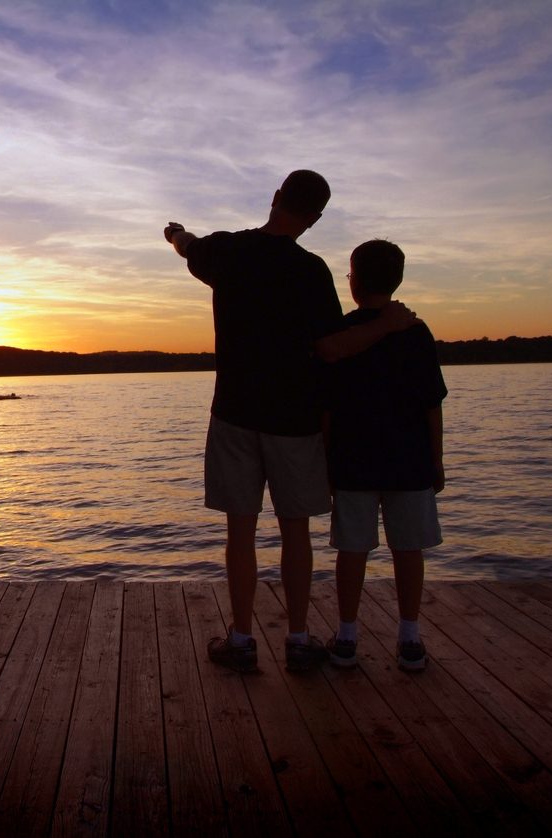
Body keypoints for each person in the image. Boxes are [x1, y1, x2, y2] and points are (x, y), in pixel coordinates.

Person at [164, 170, 415, 673]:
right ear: (315, 218)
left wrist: (176, 234)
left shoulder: (226, 251)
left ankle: (240, 640)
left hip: (234, 414)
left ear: (276, 197)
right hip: (295, 420)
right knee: (295, 531)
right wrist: (389, 324)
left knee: (241, 531)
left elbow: (189, 247)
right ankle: (298, 640)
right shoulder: (312, 271)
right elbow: (329, 347)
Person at [321, 239, 447, 672]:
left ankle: (347, 635)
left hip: (353, 460)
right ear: (397, 279)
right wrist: (437, 459)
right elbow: (433, 403)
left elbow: (327, 409)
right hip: (409, 459)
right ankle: (409, 636)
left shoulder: (341, 333)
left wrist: (326, 462)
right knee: (409, 549)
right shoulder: (416, 331)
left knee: (352, 550)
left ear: (354, 280)